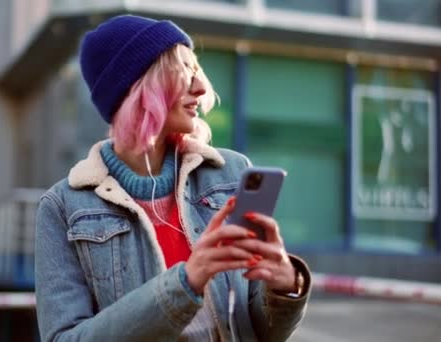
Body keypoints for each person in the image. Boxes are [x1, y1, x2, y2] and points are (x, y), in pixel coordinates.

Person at [35, 14, 311, 341]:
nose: (202, 87)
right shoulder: (62, 207)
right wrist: (185, 282)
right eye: (182, 70)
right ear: (137, 86)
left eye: (197, 70)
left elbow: (259, 330)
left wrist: (283, 288)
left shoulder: (230, 173)